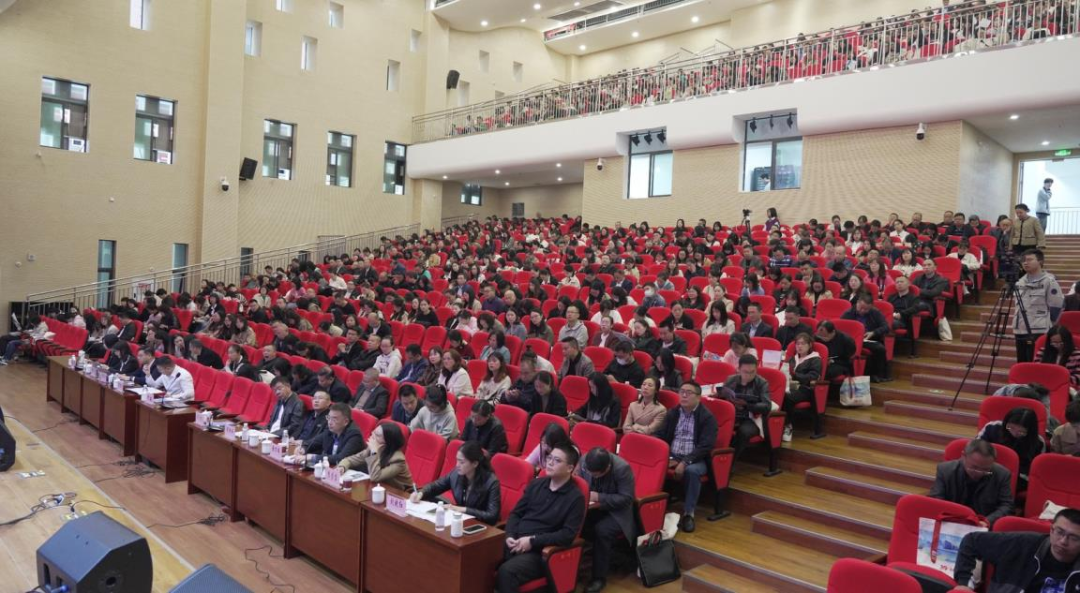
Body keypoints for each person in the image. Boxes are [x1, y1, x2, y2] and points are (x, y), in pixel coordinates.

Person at [495, 442, 585, 593]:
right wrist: (510, 535)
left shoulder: (575, 498)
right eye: (549, 458)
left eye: (557, 460)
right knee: (478, 555)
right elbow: (516, 513)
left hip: (539, 552)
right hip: (515, 540)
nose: (550, 462)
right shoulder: (536, 484)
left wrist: (532, 541)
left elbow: (567, 535)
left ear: (570, 468)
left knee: (507, 572)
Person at [952, 507, 1080, 593]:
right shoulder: (1023, 544)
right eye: (1059, 532)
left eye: (1074, 537)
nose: (1063, 541)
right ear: (1051, 530)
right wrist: (964, 583)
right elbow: (971, 541)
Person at [657, 381, 716, 533]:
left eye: (689, 393)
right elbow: (661, 435)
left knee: (692, 471)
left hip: (696, 459)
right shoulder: (673, 413)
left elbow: (705, 446)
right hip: (673, 455)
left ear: (699, 397)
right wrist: (664, 456)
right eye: (682, 391)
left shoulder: (707, 417)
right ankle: (653, 507)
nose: (684, 395)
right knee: (653, 463)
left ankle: (689, 513)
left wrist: (684, 462)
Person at [579, 448, 636, 593]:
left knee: (602, 530)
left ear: (608, 468)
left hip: (617, 512)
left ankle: (599, 578)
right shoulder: (585, 461)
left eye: (595, 474)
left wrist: (599, 497)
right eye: (590, 472)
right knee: (576, 522)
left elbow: (626, 499)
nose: (592, 476)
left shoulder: (622, 469)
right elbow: (579, 482)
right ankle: (571, 567)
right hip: (592, 507)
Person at [927, 438, 1014, 527]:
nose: (979, 473)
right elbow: (936, 501)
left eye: (985, 469)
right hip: (950, 523)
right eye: (974, 467)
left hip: (984, 526)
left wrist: (987, 521)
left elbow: (1007, 506)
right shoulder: (945, 470)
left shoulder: (1002, 475)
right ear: (963, 456)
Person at [412, 440, 501, 525]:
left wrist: (463, 510)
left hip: (481, 526)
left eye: (462, 462)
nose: (457, 465)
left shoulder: (491, 482)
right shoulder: (456, 474)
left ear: (475, 463)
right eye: (457, 460)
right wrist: (421, 494)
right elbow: (436, 486)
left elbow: (492, 516)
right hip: (460, 521)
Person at [977, 406, 1045, 490]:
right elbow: (975, 449)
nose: (1014, 433)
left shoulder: (1038, 443)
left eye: (1021, 432)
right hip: (986, 469)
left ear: (1030, 431)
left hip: (1016, 478)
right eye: (1010, 427)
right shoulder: (992, 427)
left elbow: (1032, 472)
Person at [1014, 250, 1064, 363]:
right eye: (1023, 260)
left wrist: (1049, 324)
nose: (1025, 263)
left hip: (1038, 329)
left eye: (1029, 260)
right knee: (1022, 363)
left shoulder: (1049, 281)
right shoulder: (1020, 282)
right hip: (1020, 329)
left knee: (1035, 363)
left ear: (1040, 261)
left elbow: (1056, 306)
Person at [721, 355, 774, 459]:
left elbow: (767, 406)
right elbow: (723, 397)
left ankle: (728, 462)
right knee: (713, 424)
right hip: (733, 414)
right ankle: (714, 458)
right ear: (738, 369)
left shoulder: (762, 383)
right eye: (745, 372)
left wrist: (747, 405)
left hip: (752, 418)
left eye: (752, 372)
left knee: (744, 432)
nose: (749, 375)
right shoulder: (731, 380)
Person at [340, 422, 413, 490]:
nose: (372, 436)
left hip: (400, 493)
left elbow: (375, 477)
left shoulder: (398, 460)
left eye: (377, 435)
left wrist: (374, 453)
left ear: (387, 441)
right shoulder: (372, 449)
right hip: (380, 487)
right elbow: (350, 460)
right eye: (373, 432)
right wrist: (342, 467)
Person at [840, 294, 892, 383]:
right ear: (857, 303)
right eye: (861, 308)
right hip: (853, 340)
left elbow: (886, 327)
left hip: (869, 338)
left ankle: (878, 374)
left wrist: (873, 332)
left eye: (866, 309)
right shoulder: (848, 313)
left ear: (871, 307)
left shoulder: (875, 313)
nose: (863, 311)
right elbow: (841, 328)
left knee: (880, 348)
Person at [781, 333, 822, 442]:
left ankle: (788, 425)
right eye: (797, 344)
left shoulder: (815, 359)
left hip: (805, 389)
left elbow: (813, 377)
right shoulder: (793, 359)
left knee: (787, 397)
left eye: (803, 344)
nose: (799, 346)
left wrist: (795, 374)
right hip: (790, 385)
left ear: (810, 345)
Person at [296, 403, 365, 466]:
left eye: (334, 419)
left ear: (346, 421)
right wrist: (303, 448)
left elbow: (340, 458)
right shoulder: (330, 430)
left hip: (350, 472)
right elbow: (313, 442)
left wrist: (312, 457)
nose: (329, 422)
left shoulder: (354, 435)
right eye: (329, 418)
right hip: (330, 469)